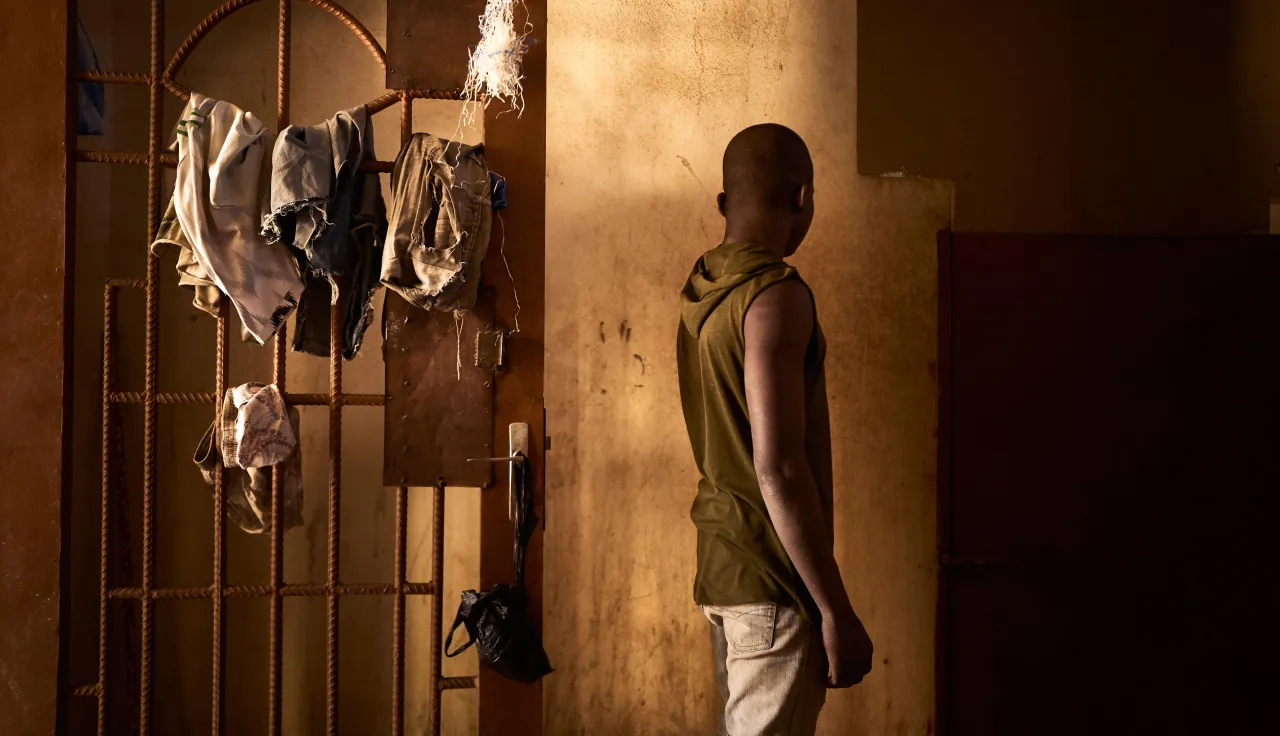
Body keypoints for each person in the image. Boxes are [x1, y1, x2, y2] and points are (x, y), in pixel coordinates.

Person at [677, 124, 874, 735]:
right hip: (771, 582)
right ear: (803, 197)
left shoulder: (702, 288)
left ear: (722, 204)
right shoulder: (775, 297)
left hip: (722, 568)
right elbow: (779, 469)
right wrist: (835, 610)